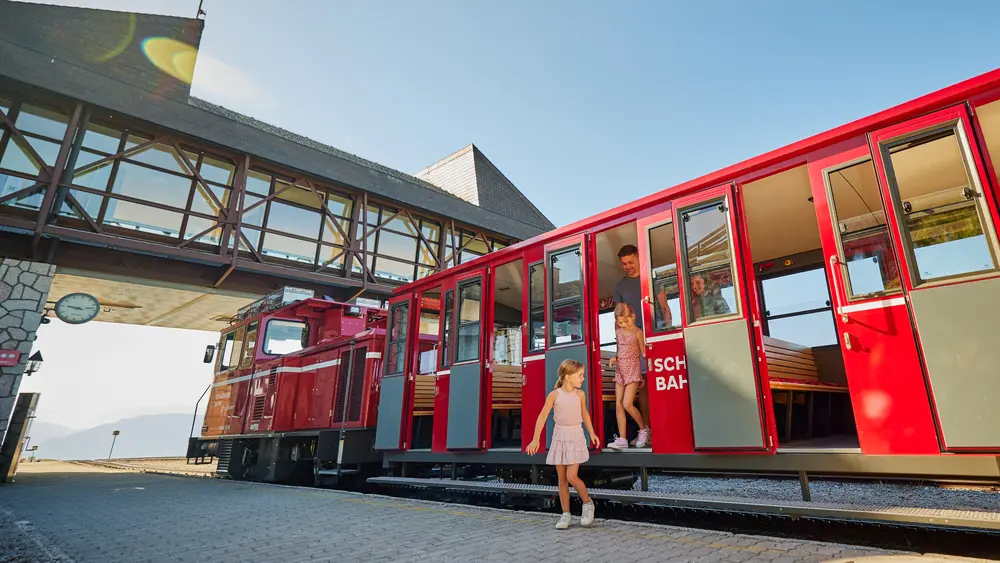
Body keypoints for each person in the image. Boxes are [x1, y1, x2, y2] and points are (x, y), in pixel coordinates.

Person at [527, 359, 599, 529]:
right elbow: (542, 416)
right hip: (560, 436)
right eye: (580, 375)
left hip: (575, 436)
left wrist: (592, 433)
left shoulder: (580, 394)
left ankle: (588, 503)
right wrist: (536, 439)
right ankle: (566, 515)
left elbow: (585, 414)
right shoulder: (554, 395)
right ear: (568, 377)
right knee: (562, 479)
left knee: (571, 476)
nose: (583, 378)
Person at [612, 245, 659, 447]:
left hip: (651, 340)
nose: (627, 266)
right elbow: (617, 320)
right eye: (624, 264)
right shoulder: (620, 287)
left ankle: (656, 432)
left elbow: (664, 308)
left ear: (639, 258)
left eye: (631, 262)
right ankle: (647, 432)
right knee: (642, 392)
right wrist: (619, 349)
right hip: (630, 348)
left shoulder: (651, 279)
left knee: (655, 388)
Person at [607, 303, 649, 450]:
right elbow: (619, 351)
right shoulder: (618, 332)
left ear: (633, 316)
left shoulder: (638, 332)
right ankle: (622, 438)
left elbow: (644, 353)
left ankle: (643, 430)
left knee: (627, 404)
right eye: (620, 322)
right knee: (618, 403)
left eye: (626, 321)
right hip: (620, 370)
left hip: (633, 370)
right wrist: (615, 358)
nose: (623, 324)